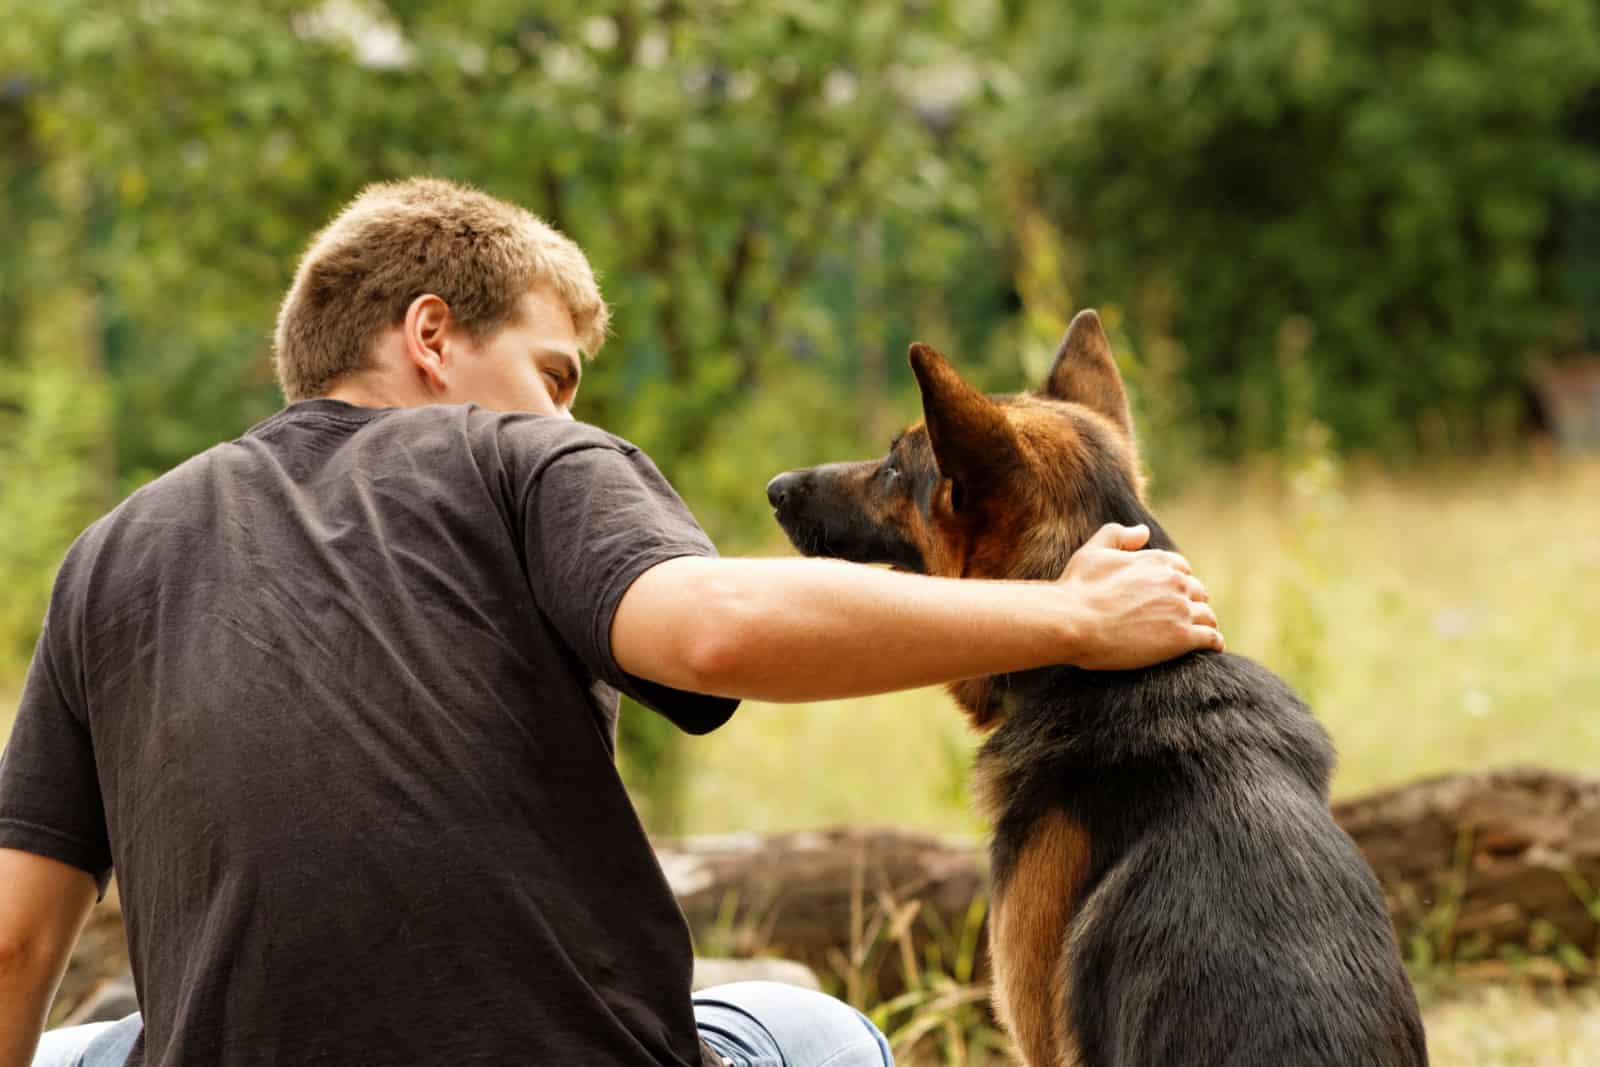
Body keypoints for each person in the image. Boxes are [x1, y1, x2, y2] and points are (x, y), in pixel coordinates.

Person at [0, 179, 1222, 1067]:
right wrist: (1060, 615)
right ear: (432, 337)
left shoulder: (112, 552)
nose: (563, 406)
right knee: (826, 1033)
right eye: (554, 368)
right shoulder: (527, 457)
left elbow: (13, 944)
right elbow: (713, 630)